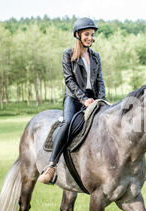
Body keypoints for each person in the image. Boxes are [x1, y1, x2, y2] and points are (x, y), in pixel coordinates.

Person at [37, 17, 106, 184]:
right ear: (78, 35)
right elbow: (69, 80)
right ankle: (52, 165)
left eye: (92, 34)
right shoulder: (68, 54)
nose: (90, 38)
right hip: (74, 98)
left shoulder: (95, 57)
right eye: (87, 34)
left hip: (94, 98)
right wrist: (83, 99)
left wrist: (101, 100)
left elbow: (99, 81)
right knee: (67, 123)